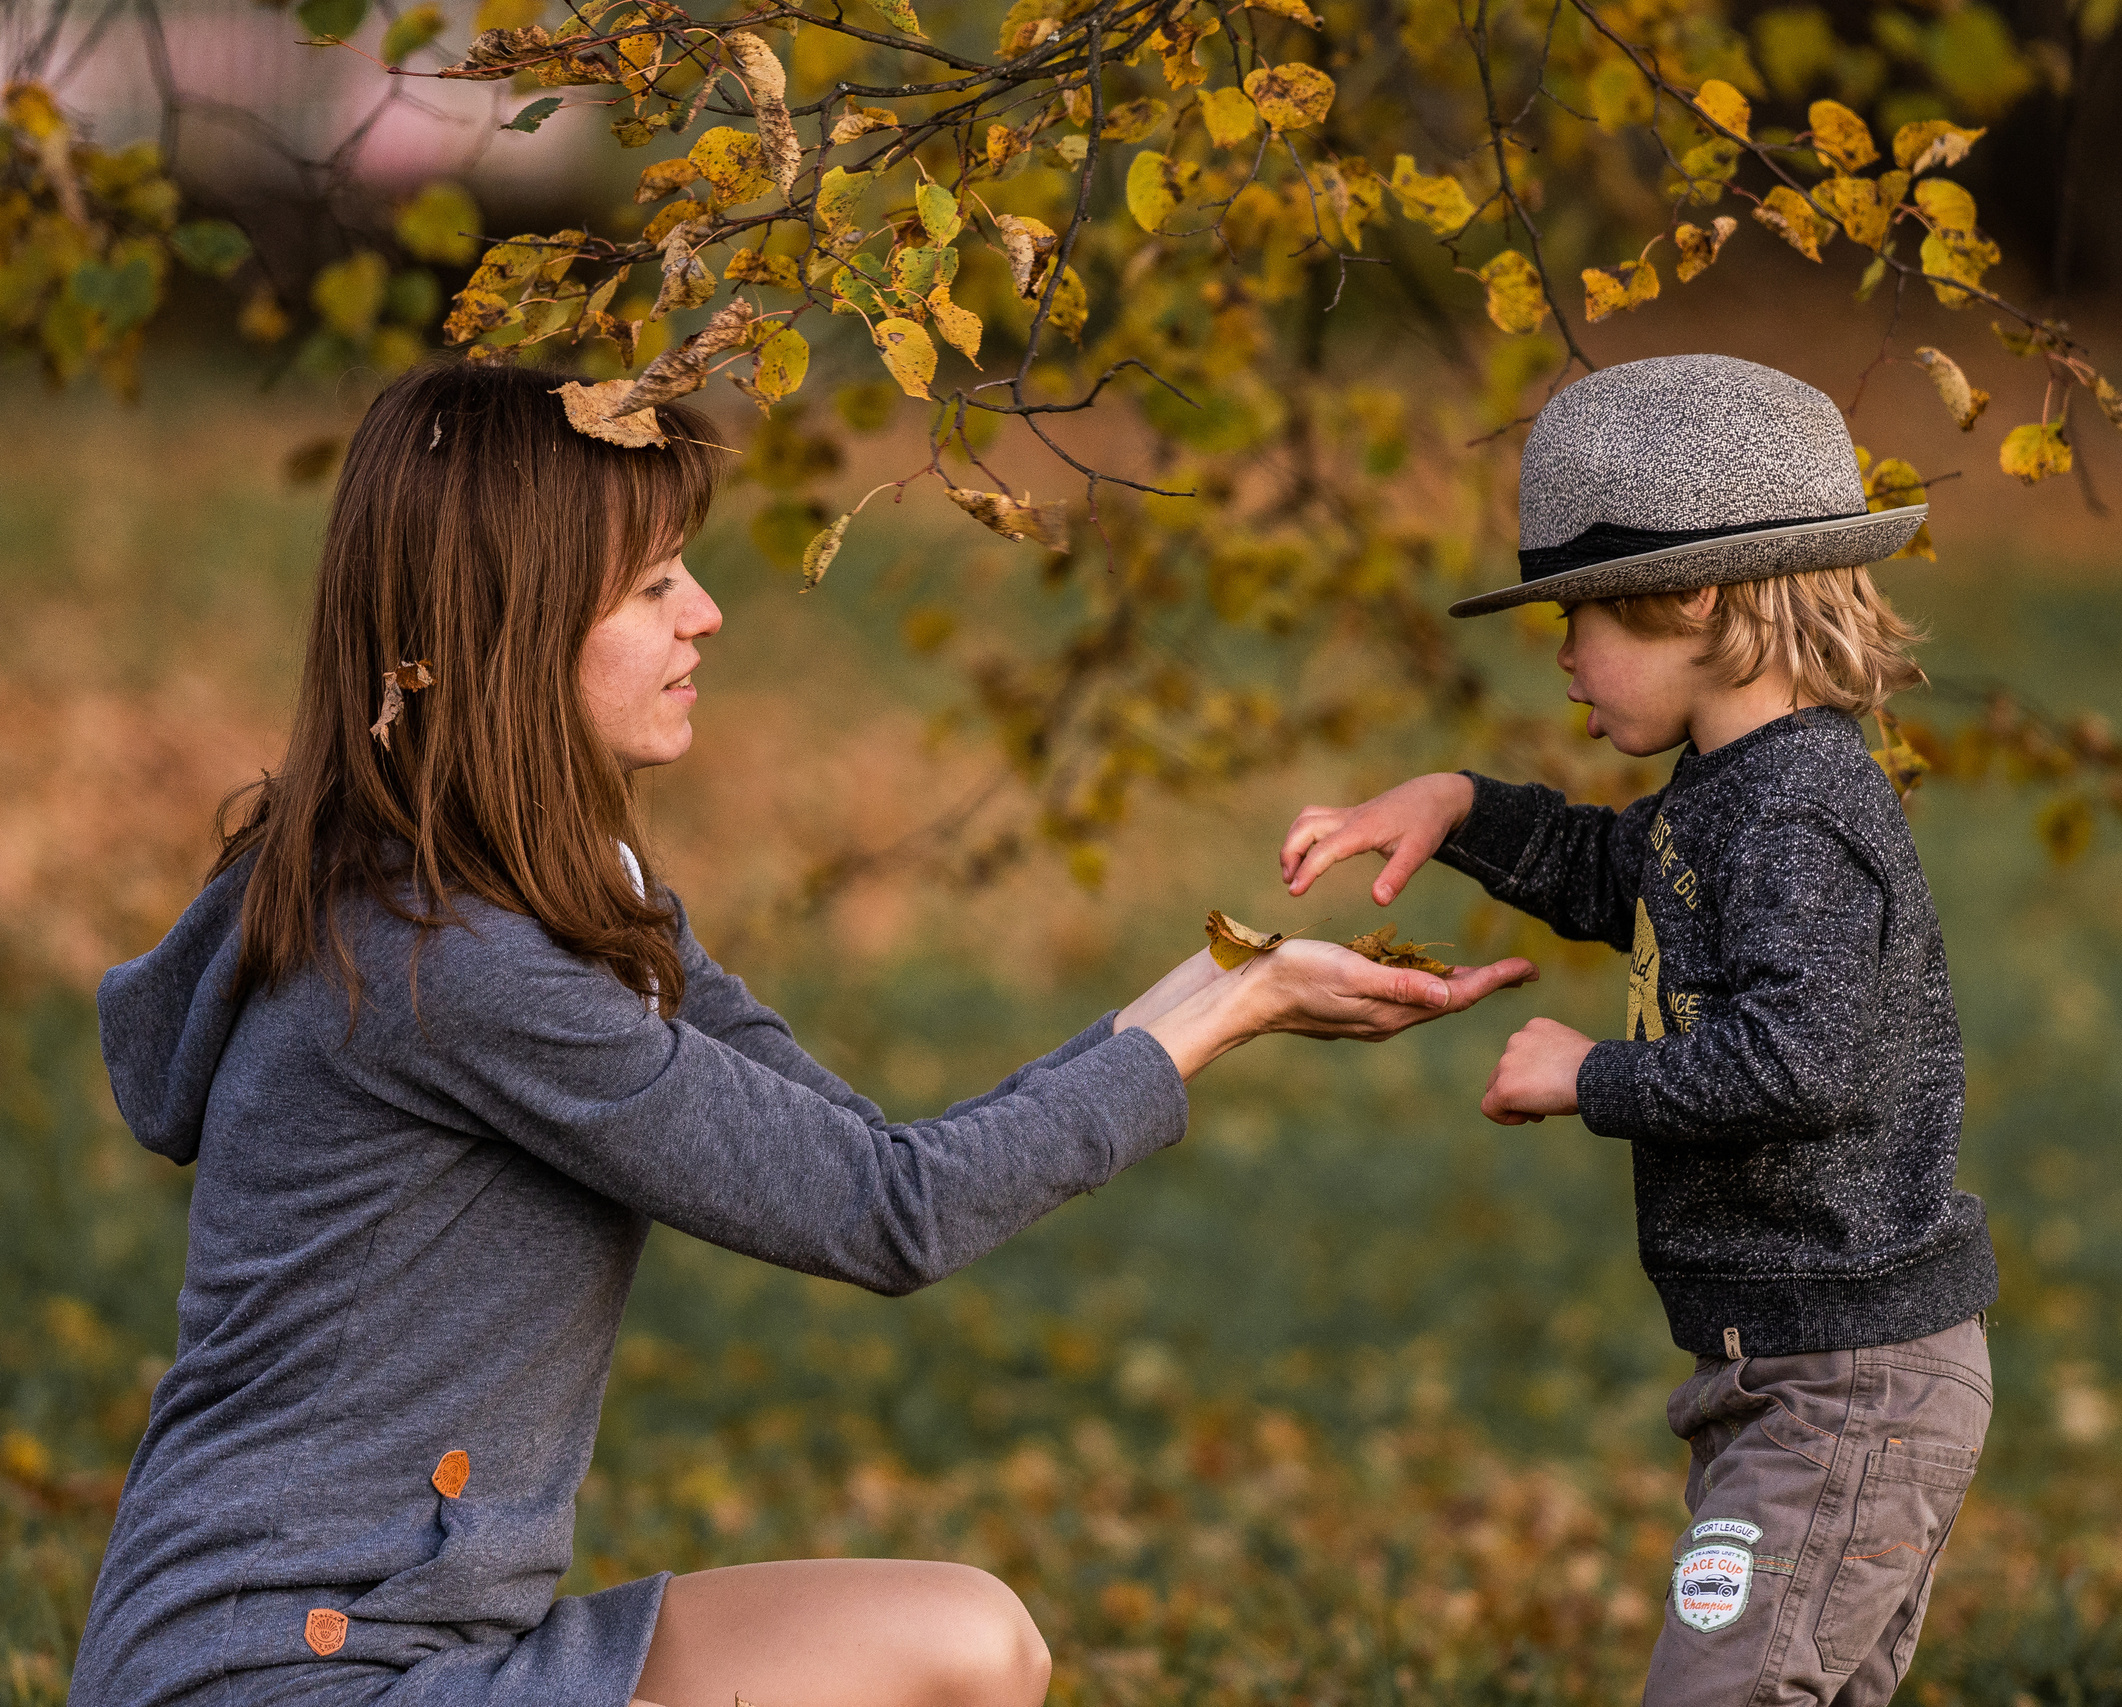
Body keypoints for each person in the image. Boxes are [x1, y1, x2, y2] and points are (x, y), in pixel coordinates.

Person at [71, 361, 1536, 1707]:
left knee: (975, 1638)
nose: (705, 613)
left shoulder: (557, 902)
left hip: (432, 1647)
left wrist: (1223, 980)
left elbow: (871, 1161)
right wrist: (1233, 1010)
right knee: (953, 1649)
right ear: (505, 628)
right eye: (653, 585)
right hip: (281, 1676)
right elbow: (891, 1220)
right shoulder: (447, 966)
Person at [1279, 355, 1998, 1707]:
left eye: (1579, 616)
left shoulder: (1799, 811)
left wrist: (1590, 1075)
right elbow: (1618, 872)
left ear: (1693, 595)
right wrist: (1457, 805)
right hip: (1794, 1371)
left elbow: (1802, 1061)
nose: (1563, 659)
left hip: (1846, 1384)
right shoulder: (1731, 788)